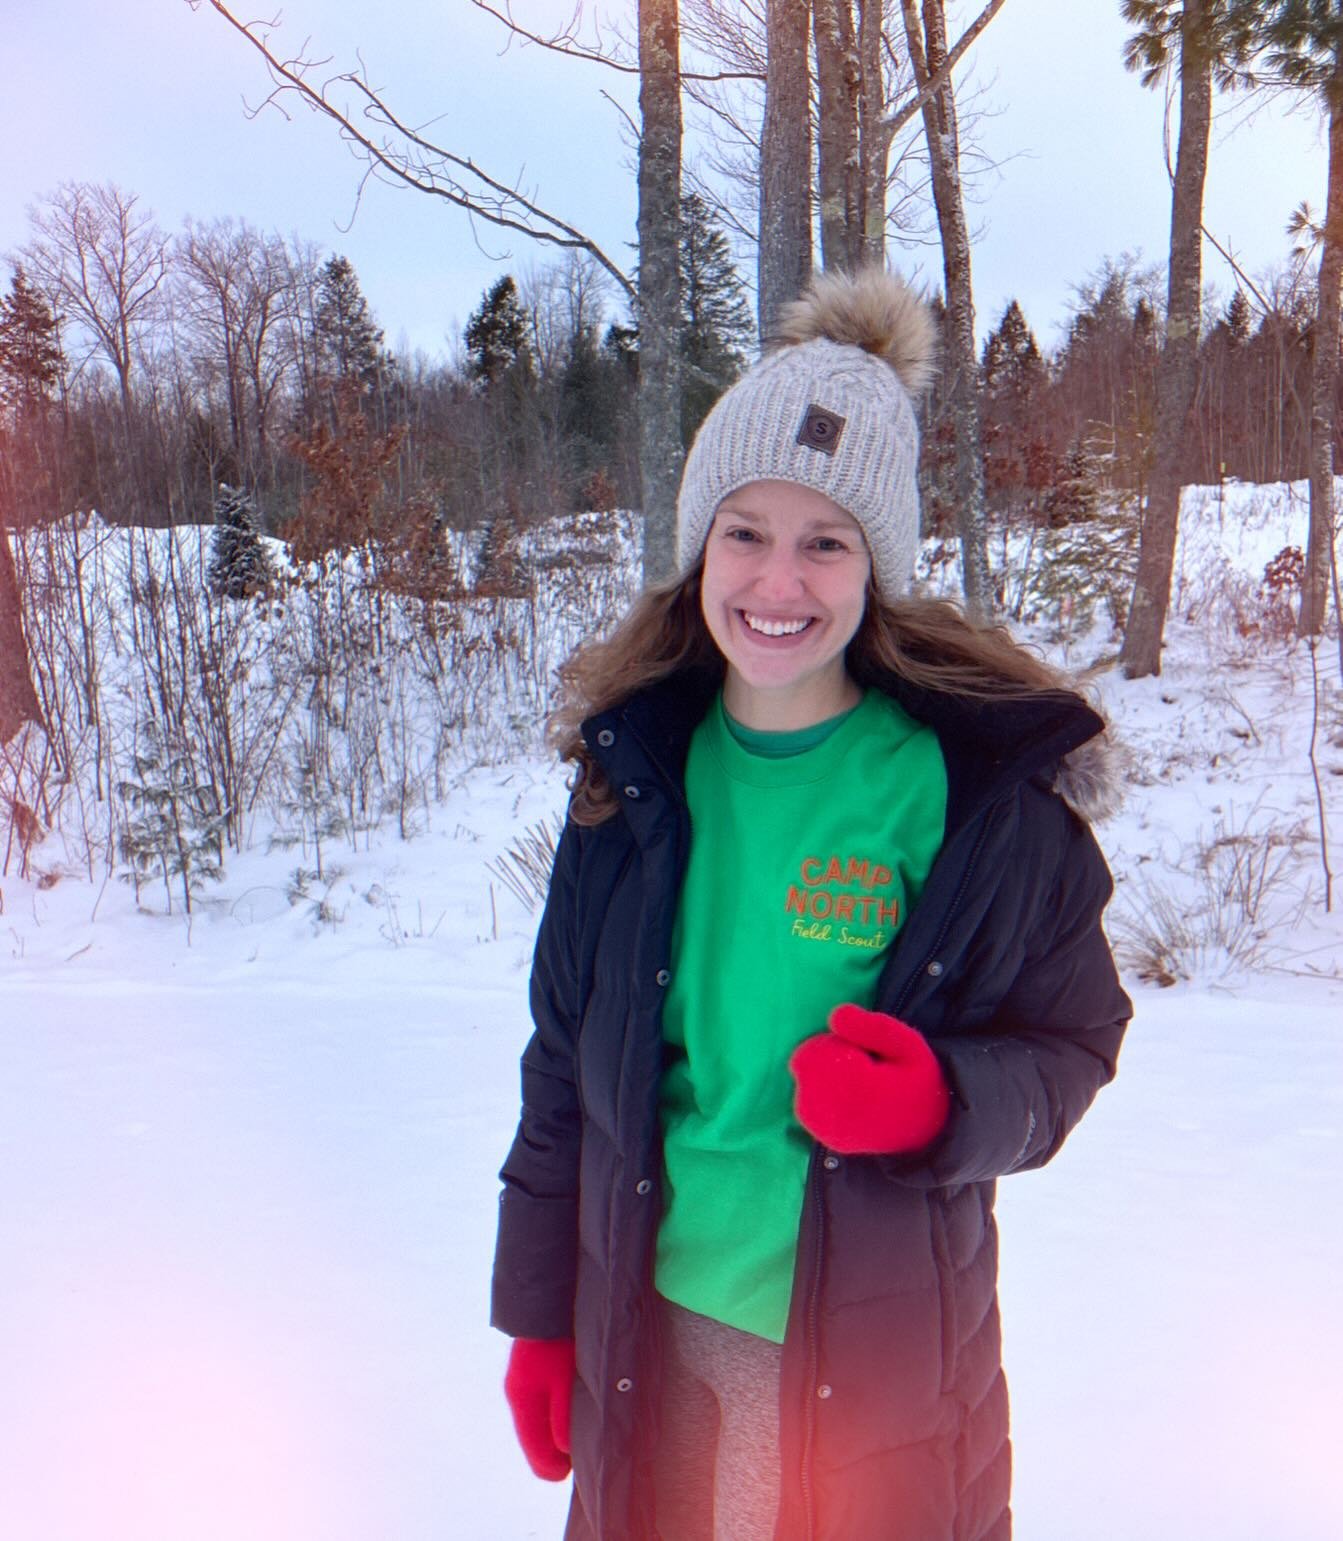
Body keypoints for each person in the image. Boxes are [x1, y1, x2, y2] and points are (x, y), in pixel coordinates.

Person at [491, 268, 1132, 1541]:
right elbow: (563, 1064)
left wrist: (940, 1103)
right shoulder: (631, 782)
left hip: (868, 1348)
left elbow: (1069, 1043)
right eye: (745, 530)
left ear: (872, 565)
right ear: (696, 544)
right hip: (645, 1330)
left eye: (823, 541)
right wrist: (539, 1313)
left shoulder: (971, 799)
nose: (777, 580)